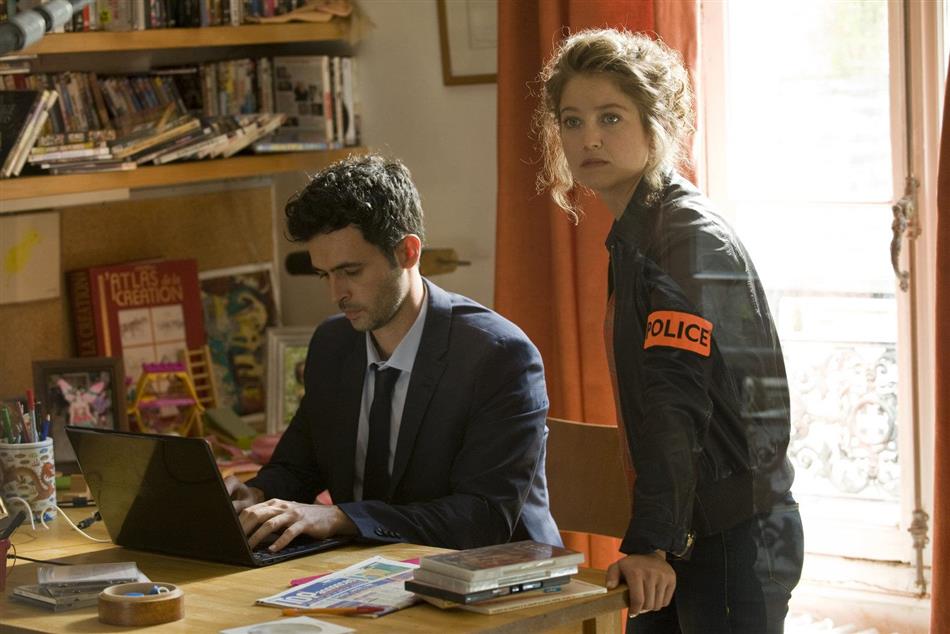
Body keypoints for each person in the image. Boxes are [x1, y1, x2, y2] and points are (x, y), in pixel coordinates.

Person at [534, 29, 804, 633]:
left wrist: (650, 542)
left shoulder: (685, 239)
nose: (589, 138)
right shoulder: (644, 231)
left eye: (610, 117)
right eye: (573, 121)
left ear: (657, 123)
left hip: (733, 537)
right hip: (691, 527)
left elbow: (676, 401)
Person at [226, 154, 561, 553]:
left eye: (351, 272)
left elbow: (482, 518)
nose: (336, 294)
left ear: (408, 252)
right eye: (325, 274)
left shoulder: (499, 357)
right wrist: (257, 494)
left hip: (495, 571)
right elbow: (300, 465)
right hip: (372, 569)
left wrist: (341, 518)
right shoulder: (333, 343)